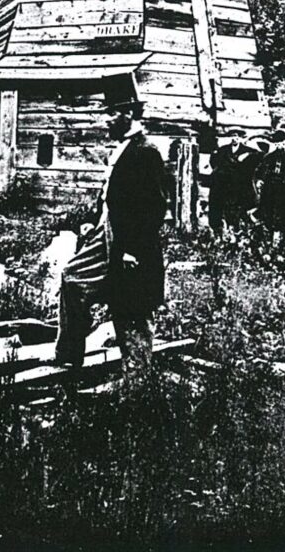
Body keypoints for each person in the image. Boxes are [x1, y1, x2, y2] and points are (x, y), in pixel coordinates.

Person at [54, 73, 168, 375]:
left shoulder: (146, 152)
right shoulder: (123, 149)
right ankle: (69, 356)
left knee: (133, 308)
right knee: (71, 279)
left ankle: (139, 379)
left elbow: (154, 208)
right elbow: (112, 198)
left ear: (129, 113)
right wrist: (93, 222)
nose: (105, 120)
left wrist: (132, 249)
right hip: (107, 235)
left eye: (111, 113)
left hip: (130, 243)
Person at [207, 127, 261, 234]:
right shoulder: (223, 150)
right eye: (232, 137)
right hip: (225, 185)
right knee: (222, 208)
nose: (234, 139)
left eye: (236, 137)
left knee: (238, 209)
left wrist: (247, 155)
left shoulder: (248, 150)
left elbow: (260, 156)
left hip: (239, 186)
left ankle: (239, 231)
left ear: (240, 138)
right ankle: (223, 231)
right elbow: (214, 162)